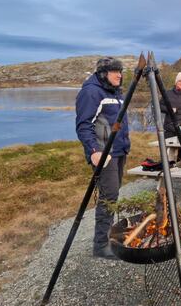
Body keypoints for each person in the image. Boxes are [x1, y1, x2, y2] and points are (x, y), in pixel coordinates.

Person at [75, 57, 130, 259]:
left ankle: (109, 236)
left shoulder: (116, 92)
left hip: (118, 151)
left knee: (113, 194)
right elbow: (83, 125)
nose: (119, 75)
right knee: (108, 198)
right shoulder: (91, 92)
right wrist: (93, 150)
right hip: (104, 154)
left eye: (120, 71)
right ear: (103, 74)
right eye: (115, 71)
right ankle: (100, 246)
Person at [160, 72, 181, 159]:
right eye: (179, 81)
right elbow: (159, 106)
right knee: (168, 155)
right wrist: (169, 110)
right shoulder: (167, 93)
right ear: (176, 82)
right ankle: (168, 170)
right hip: (169, 129)